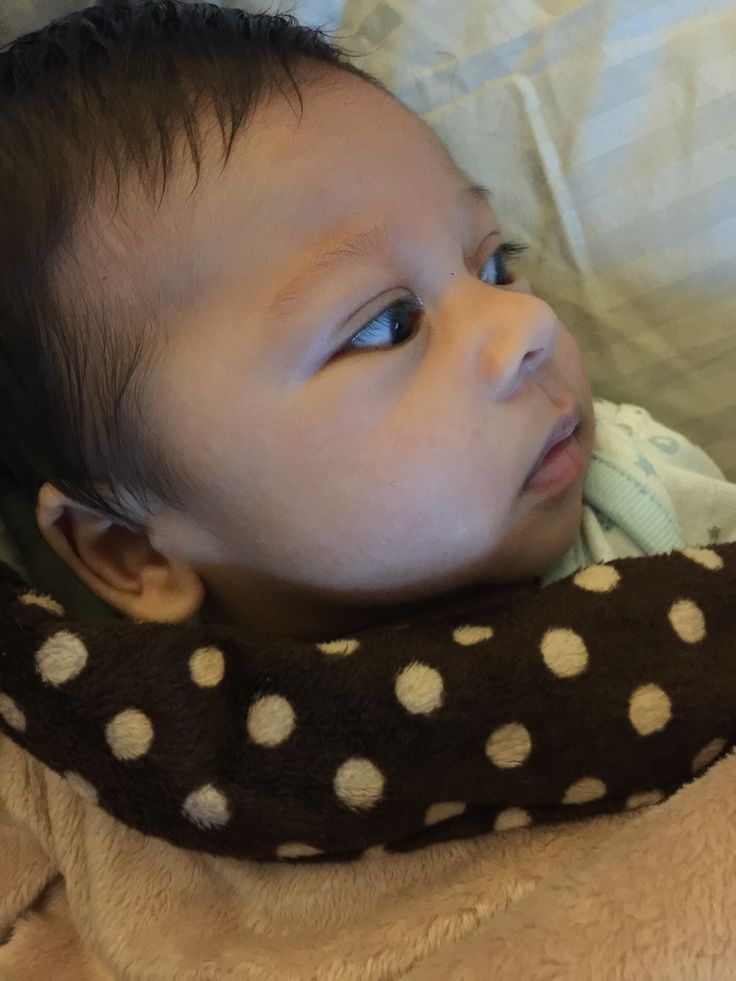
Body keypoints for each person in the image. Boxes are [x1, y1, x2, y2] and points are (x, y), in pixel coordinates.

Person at [1, 0, 734, 646]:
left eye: (493, 265)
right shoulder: (133, 753)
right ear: (135, 552)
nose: (528, 322)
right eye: (387, 325)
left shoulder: (640, 505)